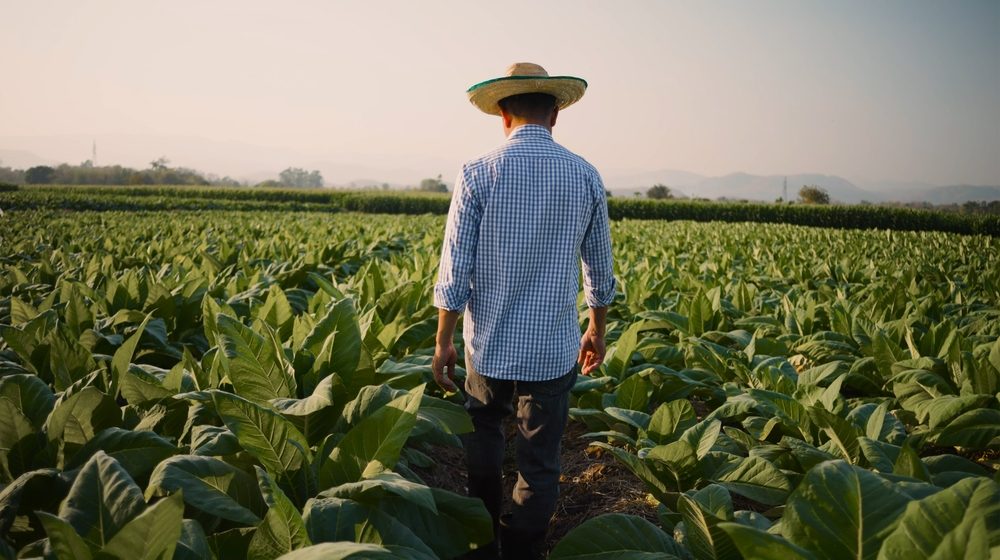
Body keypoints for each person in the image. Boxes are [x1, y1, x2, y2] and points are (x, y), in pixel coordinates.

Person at [432, 62, 616, 560]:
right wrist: (596, 331)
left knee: (485, 441)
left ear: (502, 115)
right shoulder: (584, 174)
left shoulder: (476, 173)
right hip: (552, 350)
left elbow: (454, 270)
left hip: (487, 347)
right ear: (555, 115)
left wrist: (444, 339)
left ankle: (482, 540)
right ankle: (521, 551)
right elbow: (599, 270)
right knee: (539, 466)